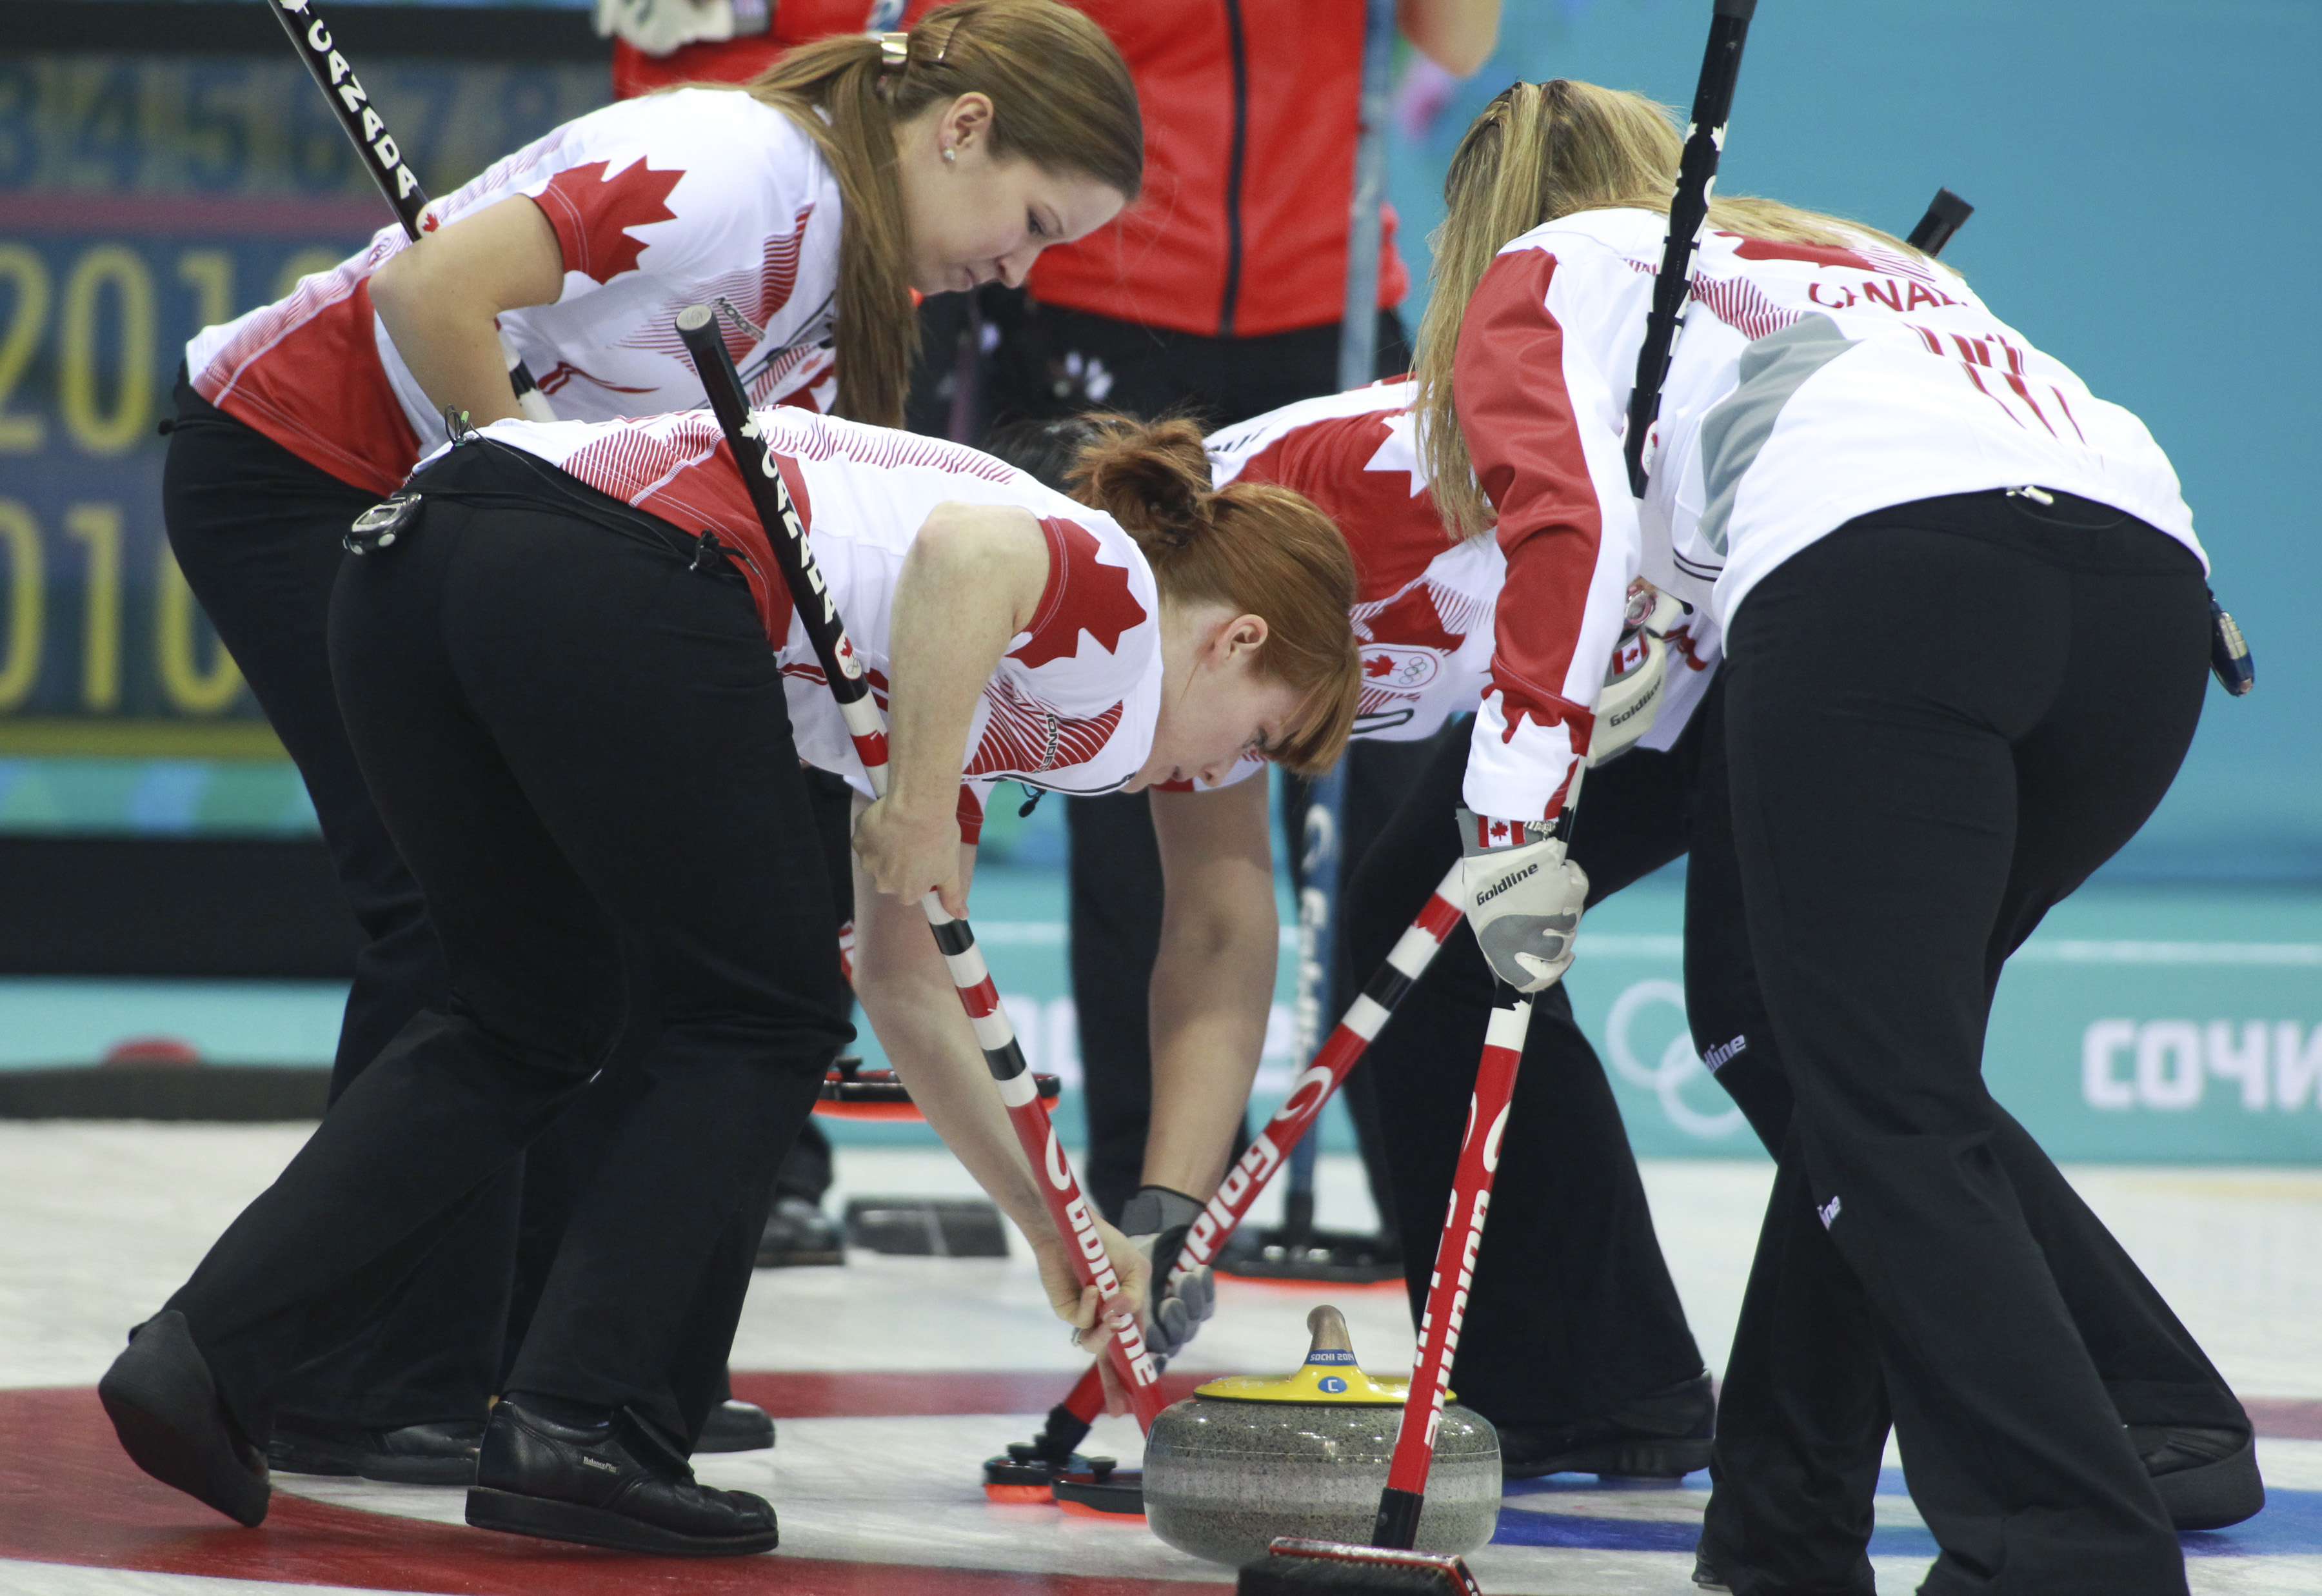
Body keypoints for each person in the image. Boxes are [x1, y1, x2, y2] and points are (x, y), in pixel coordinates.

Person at [158, 0, 1142, 1481]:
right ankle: (361, 1374)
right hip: (302, 468)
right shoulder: (734, 164)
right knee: (456, 920)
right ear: (961, 130)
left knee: (598, 937)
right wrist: (529, 486)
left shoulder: (847, 268)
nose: (1023, 266)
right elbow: (429, 296)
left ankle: (542, 1358)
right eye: (1033, 219)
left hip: (460, 523)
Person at [99, 403, 1363, 1555]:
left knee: (524, 1013)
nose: (1219, 771)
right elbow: (974, 553)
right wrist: (919, 796)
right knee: (758, 1013)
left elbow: (904, 979)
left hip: (417, 555)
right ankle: (585, 1419)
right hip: (601, 566)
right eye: (1258, 732)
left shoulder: (997, 678)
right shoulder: (1120, 626)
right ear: (1236, 640)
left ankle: (204, 1355)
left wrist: (1054, 1220)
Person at [1416, 77, 2251, 1596]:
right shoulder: (1869, 256)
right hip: (2145, 607)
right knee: (1855, 1080)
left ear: (1480, 229)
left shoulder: (1546, 275)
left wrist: (1513, 818)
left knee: (1880, 1104)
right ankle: (1784, 1529)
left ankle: (2070, 1551)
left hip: (1896, 590)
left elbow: (1573, 533)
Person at [933, 0, 1503, 1256]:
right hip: (1103, 304)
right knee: (1157, 746)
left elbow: (1455, 45)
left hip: (1323, 300)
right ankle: (1152, 1206)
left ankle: (1443, 1209)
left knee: (1392, 788)